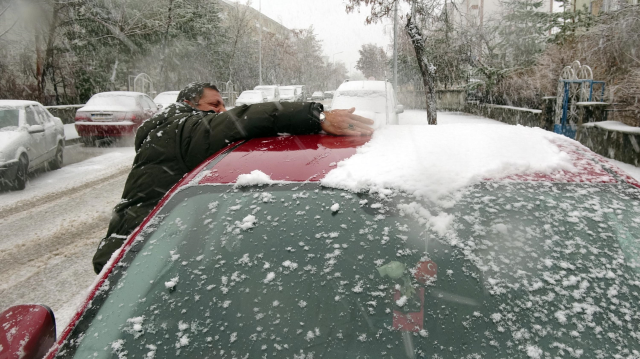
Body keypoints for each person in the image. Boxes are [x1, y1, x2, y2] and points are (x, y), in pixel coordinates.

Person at [92, 82, 374, 273]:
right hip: (137, 260)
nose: (220, 111)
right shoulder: (183, 128)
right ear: (190, 104)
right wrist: (317, 117)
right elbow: (249, 118)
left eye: (222, 104)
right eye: (214, 105)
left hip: (132, 248)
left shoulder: (165, 131)